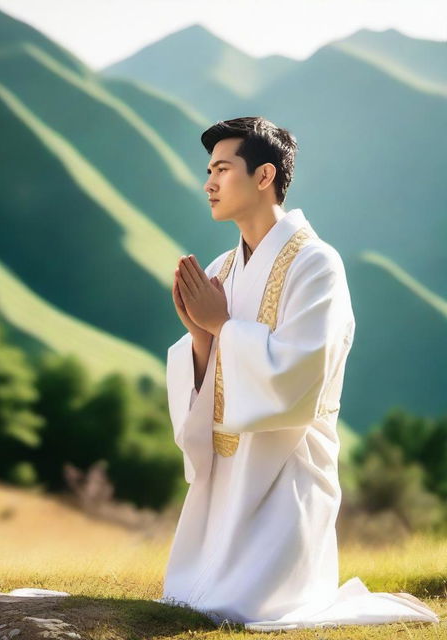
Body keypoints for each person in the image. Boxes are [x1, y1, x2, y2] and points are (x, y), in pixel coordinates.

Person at [157, 117, 440, 631]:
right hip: (228, 474)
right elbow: (210, 380)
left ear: (264, 176)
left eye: (222, 169)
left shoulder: (317, 265)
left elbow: (299, 375)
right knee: (191, 600)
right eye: (208, 170)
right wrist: (200, 337)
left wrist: (220, 323)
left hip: (289, 472)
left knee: (248, 609)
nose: (209, 184)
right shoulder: (222, 268)